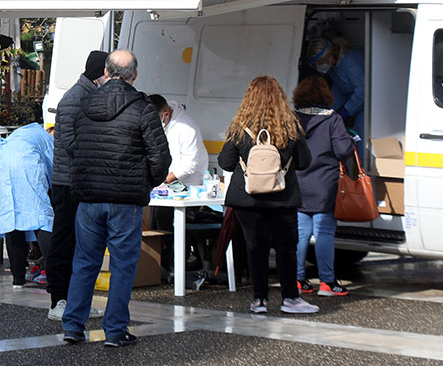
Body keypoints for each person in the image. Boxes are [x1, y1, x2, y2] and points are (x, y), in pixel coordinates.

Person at [61, 50, 171, 347]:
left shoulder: (84, 104)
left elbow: (73, 145)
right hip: (125, 199)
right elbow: (160, 158)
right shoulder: (143, 108)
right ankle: (115, 330)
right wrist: (146, 182)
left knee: (85, 262)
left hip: (89, 196)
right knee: (123, 266)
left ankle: (72, 325)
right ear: (134, 75)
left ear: (106, 73)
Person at [218, 75, 318, 315]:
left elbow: (226, 162)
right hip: (282, 199)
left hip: (247, 199)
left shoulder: (240, 128)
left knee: (255, 247)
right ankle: (290, 299)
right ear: (279, 99)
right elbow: (304, 162)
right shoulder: (290, 127)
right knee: (286, 248)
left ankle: (259, 300)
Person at [46, 50, 107, 321]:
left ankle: (77, 301)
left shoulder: (90, 95)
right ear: (100, 73)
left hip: (82, 181)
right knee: (64, 241)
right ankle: (58, 300)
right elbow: (70, 142)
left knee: (84, 244)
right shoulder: (74, 99)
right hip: (67, 182)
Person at [293, 76, 356, 297]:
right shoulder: (333, 119)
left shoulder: (293, 119)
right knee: (324, 233)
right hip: (324, 185)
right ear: (326, 96)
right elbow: (343, 151)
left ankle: (298, 280)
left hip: (298, 183)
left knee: (301, 234)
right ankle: (327, 282)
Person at [0, 123, 55, 288]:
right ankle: (54, 275)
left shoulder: (28, 132)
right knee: (41, 217)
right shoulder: (48, 140)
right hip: (26, 161)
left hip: (1, 159)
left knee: (11, 218)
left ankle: (18, 277)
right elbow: (54, 170)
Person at [148, 94, 210, 269]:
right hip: (169, 181)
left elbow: (190, 165)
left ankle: (178, 261)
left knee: (170, 219)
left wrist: (163, 180)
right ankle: (166, 262)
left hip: (188, 183)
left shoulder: (187, 128)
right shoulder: (164, 123)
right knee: (159, 218)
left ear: (165, 114)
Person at [306, 37, 365, 141]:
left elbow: (362, 92)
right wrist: (328, 112)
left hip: (368, 105)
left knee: (360, 139)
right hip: (358, 105)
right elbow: (339, 90)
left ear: (329, 57)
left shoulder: (351, 61)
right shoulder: (334, 67)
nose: (320, 68)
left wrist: (345, 112)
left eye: (320, 64)